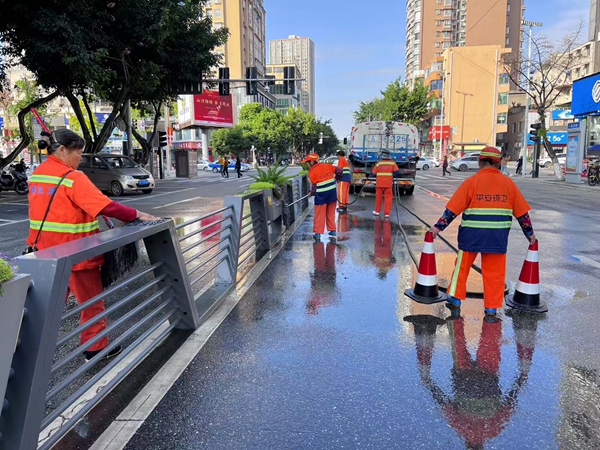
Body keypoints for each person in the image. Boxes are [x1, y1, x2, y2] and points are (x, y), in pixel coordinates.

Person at [27, 129, 158, 362]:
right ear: (62, 150)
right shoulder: (73, 178)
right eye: (78, 152)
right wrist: (137, 214)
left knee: (46, 307)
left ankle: (27, 355)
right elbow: (106, 206)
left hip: (44, 253)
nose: (80, 158)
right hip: (76, 253)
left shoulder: (38, 174)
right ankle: (96, 348)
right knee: (91, 304)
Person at [429, 146, 536, 318]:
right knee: (495, 274)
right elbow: (522, 215)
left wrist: (437, 227)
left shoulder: (471, 182)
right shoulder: (509, 184)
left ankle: (455, 298)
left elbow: (452, 211)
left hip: (471, 236)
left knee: (462, 268)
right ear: (498, 163)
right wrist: (529, 234)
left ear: (480, 163)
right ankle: (491, 308)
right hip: (497, 238)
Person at [302, 153, 343, 240]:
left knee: (319, 214)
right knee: (331, 213)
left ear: (312, 162)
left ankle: (318, 234)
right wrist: (336, 179)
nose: (307, 165)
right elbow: (339, 170)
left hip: (321, 196)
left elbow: (314, 187)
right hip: (332, 194)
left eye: (307, 163)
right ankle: (332, 231)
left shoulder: (312, 172)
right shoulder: (327, 166)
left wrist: (311, 193)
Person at [371, 149, 400, 219]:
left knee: (378, 198)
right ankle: (387, 213)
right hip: (388, 183)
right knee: (388, 198)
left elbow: (373, 174)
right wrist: (392, 175)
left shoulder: (379, 163)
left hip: (379, 183)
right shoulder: (392, 163)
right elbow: (397, 172)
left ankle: (377, 211)